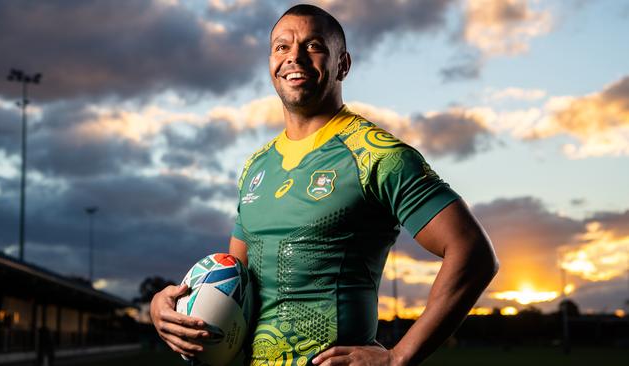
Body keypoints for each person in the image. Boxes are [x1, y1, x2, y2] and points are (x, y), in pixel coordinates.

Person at [151, 4, 498, 366]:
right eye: (282, 47)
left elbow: (473, 253)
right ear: (271, 63)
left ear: (342, 64)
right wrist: (171, 306)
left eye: (314, 46)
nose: (294, 57)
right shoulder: (257, 165)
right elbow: (236, 277)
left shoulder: (378, 154)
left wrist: (398, 357)